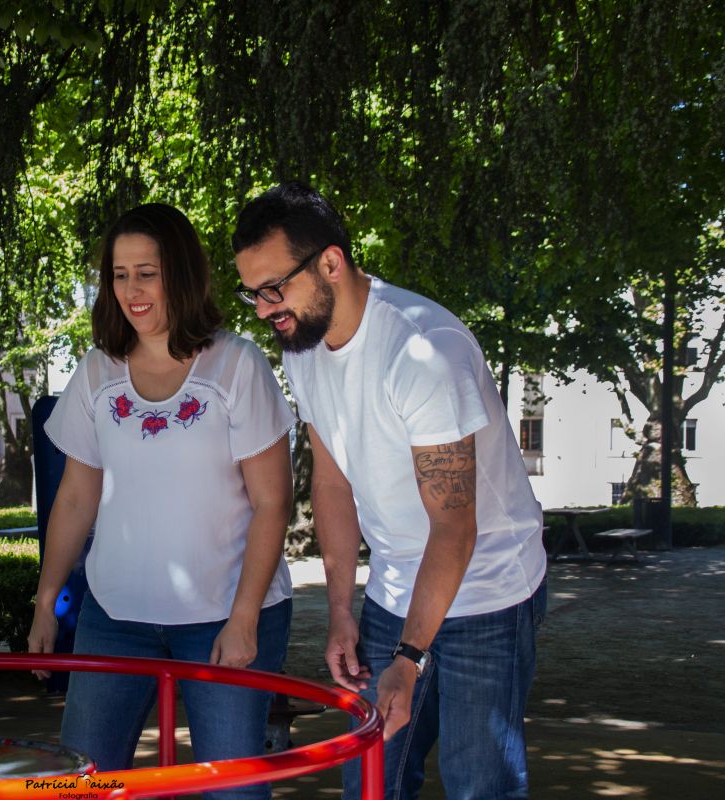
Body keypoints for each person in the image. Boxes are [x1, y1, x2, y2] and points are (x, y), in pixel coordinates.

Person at [232, 183, 547, 800]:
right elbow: (332, 481)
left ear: (331, 261)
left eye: (275, 287)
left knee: (478, 786)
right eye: (253, 293)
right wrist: (343, 609)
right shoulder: (302, 344)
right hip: (392, 593)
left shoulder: (423, 350)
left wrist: (410, 656)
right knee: (372, 782)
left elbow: (455, 528)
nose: (266, 308)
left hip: (489, 590)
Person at [27, 202, 295, 799]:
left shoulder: (236, 365)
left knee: (232, 792)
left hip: (225, 617)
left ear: (180, 272)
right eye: (120, 275)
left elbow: (274, 503)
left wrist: (245, 619)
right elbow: (75, 498)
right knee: (81, 786)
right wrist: (47, 600)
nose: (132, 290)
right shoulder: (98, 371)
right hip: (115, 617)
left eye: (146, 272)